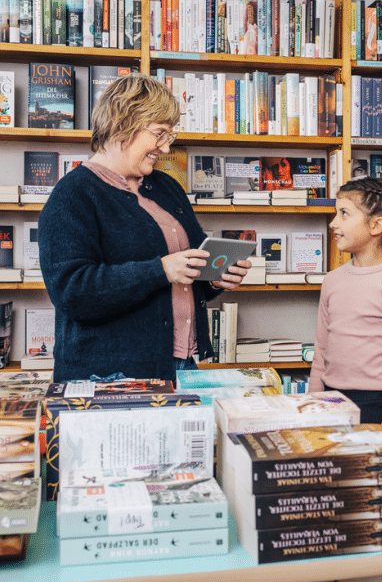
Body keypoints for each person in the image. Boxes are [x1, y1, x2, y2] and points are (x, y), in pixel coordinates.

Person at [39, 73, 250, 383]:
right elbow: (72, 292)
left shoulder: (165, 187)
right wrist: (160, 270)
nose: (165, 148)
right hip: (109, 376)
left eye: (170, 135)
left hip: (179, 365)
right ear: (123, 122)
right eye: (159, 133)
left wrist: (216, 278)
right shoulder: (73, 194)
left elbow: (187, 272)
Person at [308, 177, 382, 441]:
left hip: (376, 410)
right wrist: (312, 416)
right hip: (330, 404)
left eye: (344, 214)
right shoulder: (332, 281)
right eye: (335, 213)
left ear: (376, 225)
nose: (333, 223)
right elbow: (320, 355)